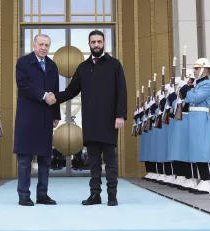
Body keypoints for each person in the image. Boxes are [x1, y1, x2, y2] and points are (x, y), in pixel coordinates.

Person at [47, 30, 127, 206]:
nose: (96, 45)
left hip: (109, 121)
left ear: (104, 43)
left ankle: (112, 196)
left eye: (99, 41)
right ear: (89, 44)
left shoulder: (114, 65)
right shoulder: (83, 67)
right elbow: (71, 90)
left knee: (111, 162)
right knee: (94, 162)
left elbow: (122, 91)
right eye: (93, 42)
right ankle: (95, 195)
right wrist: (55, 98)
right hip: (90, 122)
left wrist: (120, 115)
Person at [13, 34, 61, 206]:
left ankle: (42, 194)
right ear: (34, 45)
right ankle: (24, 195)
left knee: (45, 159)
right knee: (25, 159)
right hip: (27, 116)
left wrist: (56, 114)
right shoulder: (23, 62)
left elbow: (55, 91)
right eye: (40, 44)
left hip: (46, 117)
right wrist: (43, 95)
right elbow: (23, 85)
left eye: (47, 45)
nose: (44, 48)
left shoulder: (52, 65)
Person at [179, 58, 210, 194]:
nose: (194, 71)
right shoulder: (198, 84)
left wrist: (186, 88)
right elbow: (187, 98)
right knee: (195, 149)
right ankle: (202, 179)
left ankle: (207, 181)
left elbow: (193, 98)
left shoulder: (206, 84)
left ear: (204, 69)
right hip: (194, 118)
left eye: (197, 68)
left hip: (200, 117)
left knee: (202, 149)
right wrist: (188, 88)